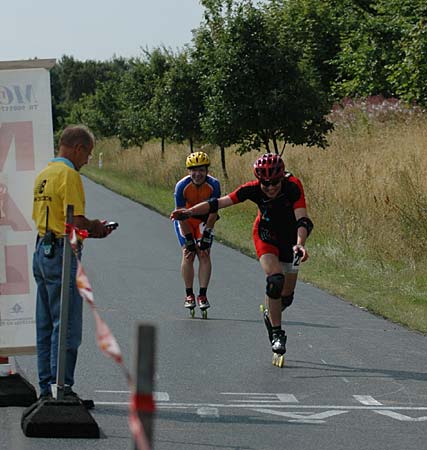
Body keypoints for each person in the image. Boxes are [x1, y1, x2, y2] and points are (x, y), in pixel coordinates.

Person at [171, 153, 313, 355]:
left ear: (281, 178)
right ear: (259, 180)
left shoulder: (292, 186)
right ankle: (277, 334)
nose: (270, 188)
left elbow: (303, 220)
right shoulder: (252, 189)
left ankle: (272, 313)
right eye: (265, 184)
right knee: (275, 281)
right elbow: (218, 203)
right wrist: (188, 212)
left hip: (292, 240)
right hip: (266, 235)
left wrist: (300, 244)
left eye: (274, 183)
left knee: (286, 297)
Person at [32, 124, 115, 399]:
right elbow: (76, 223)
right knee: (66, 324)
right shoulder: (69, 176)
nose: (88, 160)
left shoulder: (45, 174)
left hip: (41, 249)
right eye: (88, 153)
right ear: (77, 148)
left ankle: (46, 387)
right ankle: (62, 388)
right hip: (61, 253)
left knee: (46, 324)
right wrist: (97, 228)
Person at [173, 151, 221, 313]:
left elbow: (214, 212)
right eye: (194, 170)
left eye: (201, 170)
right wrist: (188, 239)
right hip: (185, 220)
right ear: (189, 171)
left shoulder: (214, 185)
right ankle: (189, 295)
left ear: (207, 171)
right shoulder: (181, 186)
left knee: (204, 253)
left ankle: (202, 295)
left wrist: (207, 234)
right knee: (189, 252)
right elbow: (180, 214)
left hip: (204, 220)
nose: (197, 174)